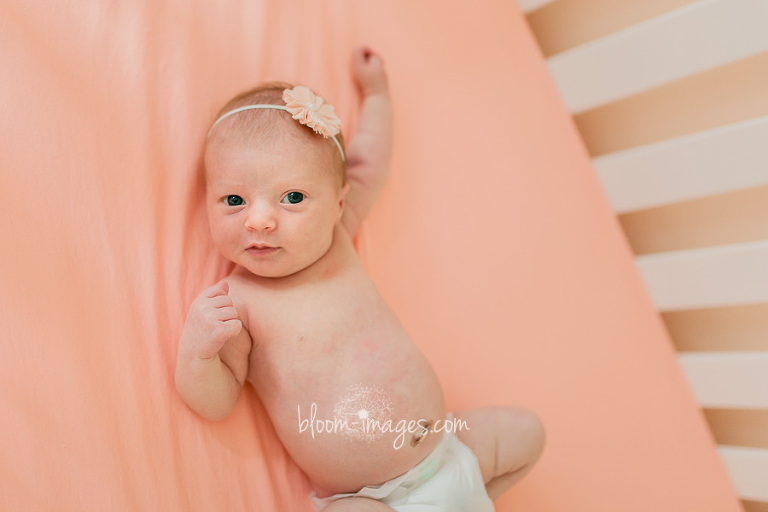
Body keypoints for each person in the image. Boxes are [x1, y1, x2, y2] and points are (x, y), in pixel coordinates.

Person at [175, 46, 544, 511]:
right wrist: (198, 349)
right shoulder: (238, 302)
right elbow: (216, 401)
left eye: (291, 197)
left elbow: (369, 161)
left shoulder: (338, 238)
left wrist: (377, 96)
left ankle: (465, 501)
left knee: (527, 433)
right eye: (233, 201)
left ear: (338, 203)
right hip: (368, 498)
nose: (260, 221)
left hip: (451, 453)